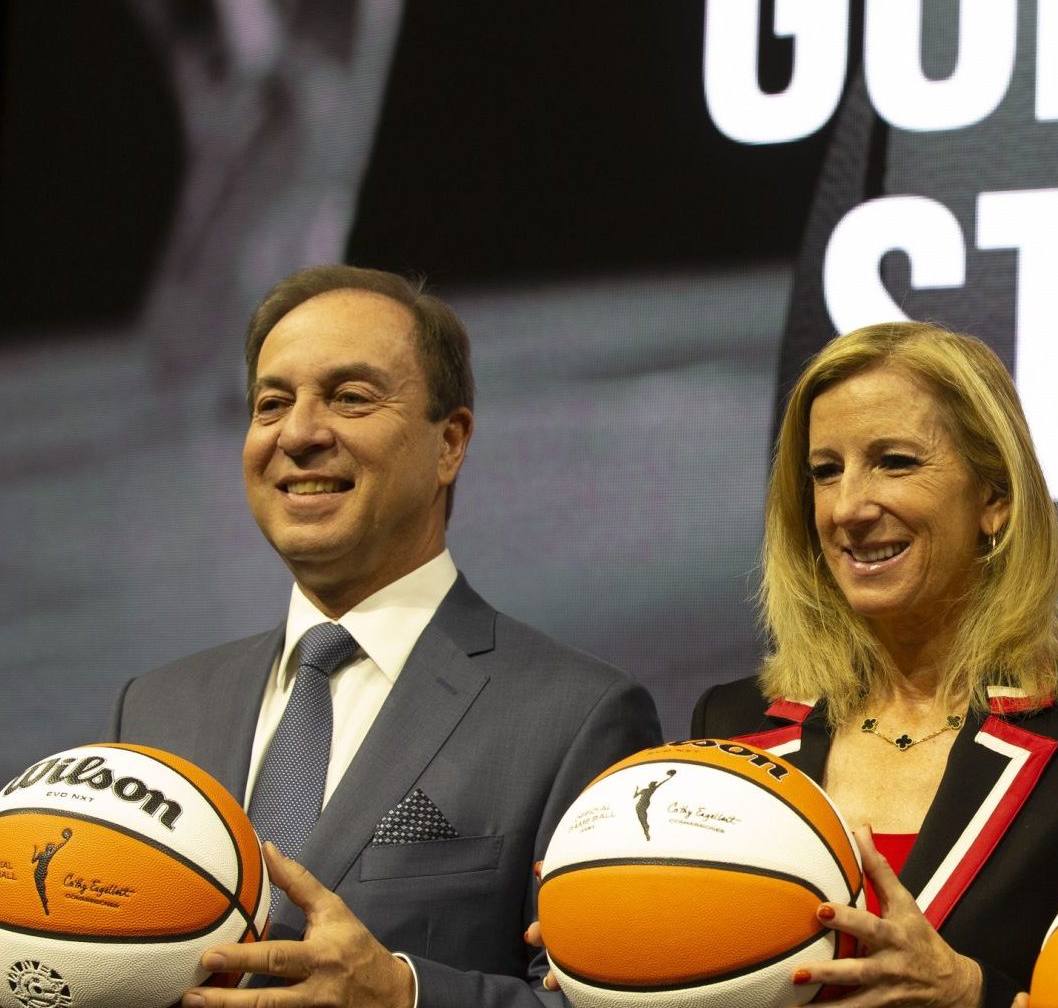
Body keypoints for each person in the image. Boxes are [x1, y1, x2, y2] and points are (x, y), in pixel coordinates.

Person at [110, 266, 661, 1008]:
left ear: (449, 444)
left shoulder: (577, 717)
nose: (300, 433)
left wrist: (403, 996)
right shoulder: (154, 712)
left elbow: (605, 1003)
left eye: (350, 397)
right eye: (272, 403)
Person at [692, 321, 1058, 1007]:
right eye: (825, 471)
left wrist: (970, 993)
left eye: (895, 462)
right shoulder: (732, 725)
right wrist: (617, 946)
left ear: (995, 497)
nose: (848, 508)